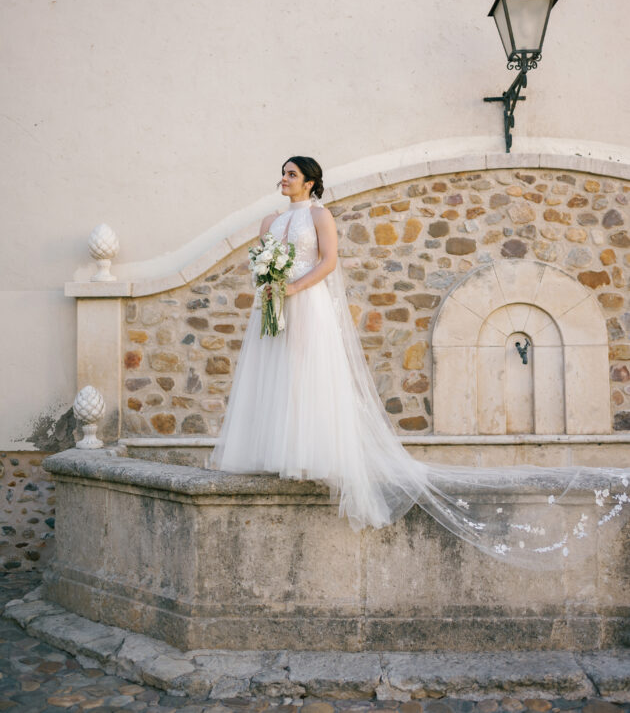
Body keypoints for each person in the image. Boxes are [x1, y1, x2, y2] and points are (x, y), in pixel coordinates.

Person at [211, 157, 630, 567]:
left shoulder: (320, 216)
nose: (284, 179)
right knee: (273, 371)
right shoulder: (268, 222)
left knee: (306, 371)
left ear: (309, 182)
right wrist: (270, 287)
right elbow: (260, 265)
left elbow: (329, 262)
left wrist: (295, 289)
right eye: (283, 174)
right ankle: (274, 451)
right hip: (274, 303)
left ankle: (307, 455)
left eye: (292, 174)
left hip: (306, 302)